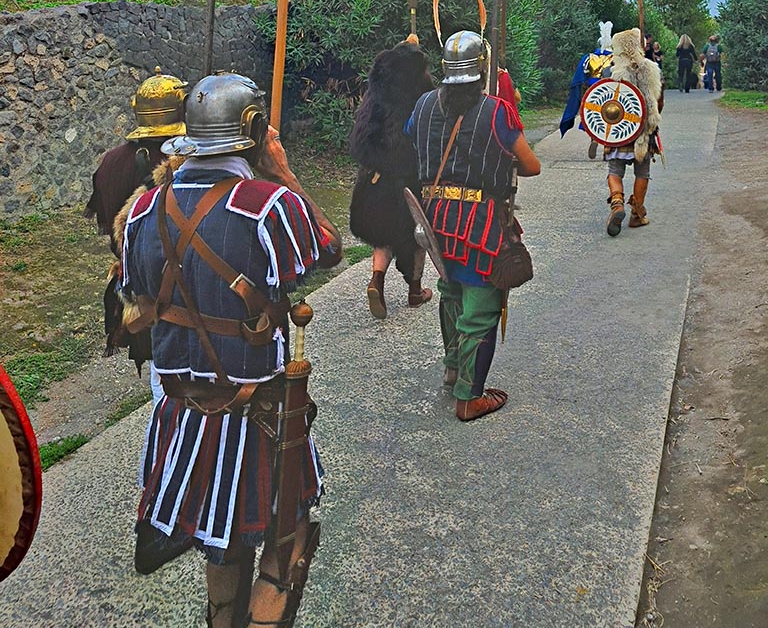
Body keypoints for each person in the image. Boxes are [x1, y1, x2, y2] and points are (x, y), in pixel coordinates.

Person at [120, 72, 342, 628]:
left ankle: (223, 617)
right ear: (255, 129)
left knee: (218, 541)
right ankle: (266, 613)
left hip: (180, 410)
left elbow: (139, 303)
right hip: (257, 409)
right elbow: (330, 250)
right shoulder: (271, 205)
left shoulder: (144, 211)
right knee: (282, 525)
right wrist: (283, 172)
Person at [406, 31, 540, 422]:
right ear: (481, 71)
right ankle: (469, 397)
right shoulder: (495, 111)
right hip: (477, 221)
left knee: (450, 290)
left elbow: (410, 135)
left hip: (434, 219)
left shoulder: (424, 103)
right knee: (481, 306)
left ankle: (453, 368)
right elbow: (531, 165)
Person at [84, 67, 188, 403]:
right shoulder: (189, 162)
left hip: (135, 289)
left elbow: (108, 227)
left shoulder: (110, 162)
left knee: (163, 383)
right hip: (188, 288)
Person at [349, 37, 435, 319]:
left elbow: (363, 132)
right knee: (418, 233)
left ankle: (376, 280)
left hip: (376, 173)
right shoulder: (422, 87)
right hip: (411, 173)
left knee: (382, 235)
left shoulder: (379, 84)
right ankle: (415, 290)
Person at [603, 28, 663, 237]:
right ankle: (637, 214)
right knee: (642, 172)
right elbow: (657, 100)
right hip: (644, 131)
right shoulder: (652, 69)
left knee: (615, 169)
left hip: (619, 131)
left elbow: (603, 105)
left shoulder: (611, 73)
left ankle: (617, 202)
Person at [559, 21, 613, 159]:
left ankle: (594, 139)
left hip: (592, 90)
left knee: (594, 116)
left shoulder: (589, 58)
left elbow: (580, 76)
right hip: (609, 89)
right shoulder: (614, 58)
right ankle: (607, 147)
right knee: (611, 116)